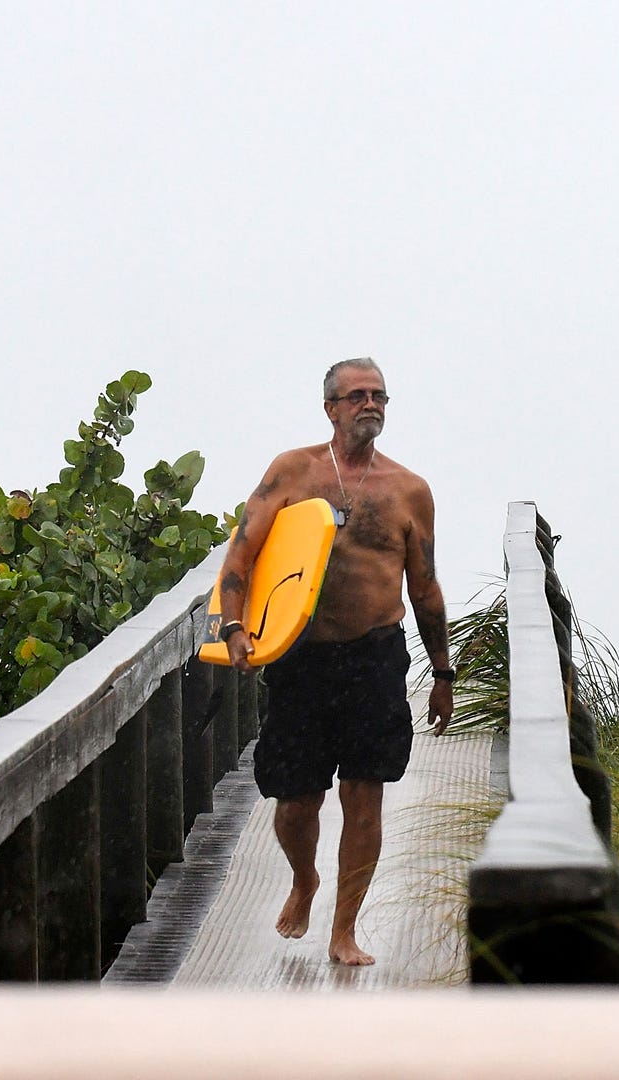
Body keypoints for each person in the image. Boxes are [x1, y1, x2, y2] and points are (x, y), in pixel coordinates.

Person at [216, 357, 453, 967]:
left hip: (375, 657)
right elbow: (240, 556)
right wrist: (236, 627)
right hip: (302, 659)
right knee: (295, 802)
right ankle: (304, 880)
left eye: (379, 395)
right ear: (330, 407)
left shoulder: (408, 491)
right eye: (356, 396)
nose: (369, 404)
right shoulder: (292, 472)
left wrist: (443, 674)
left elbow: (425, 589)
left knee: (364, 794)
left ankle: (344, 928)